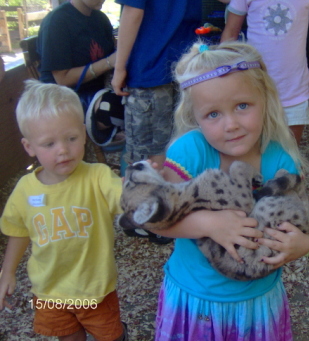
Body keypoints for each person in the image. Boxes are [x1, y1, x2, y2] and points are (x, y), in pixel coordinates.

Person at [149, 41, 309, 340]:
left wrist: (302, 246)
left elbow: (297, 220)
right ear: (195, 117)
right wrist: (210, 224)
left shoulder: (278, 159)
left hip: (258, 302)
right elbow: (155, 217)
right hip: (196, 299)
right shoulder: (191, 152)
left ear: (264, 99)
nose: (231, 124)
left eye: (242, 106)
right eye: (213, 114)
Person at [0, 80, 127, 341]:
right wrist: (8, 271)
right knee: (68, 337)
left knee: (110, 336)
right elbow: (19, 230)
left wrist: (140, 185)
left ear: (83, 133)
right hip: (49, 291)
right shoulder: (25, 190)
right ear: (29, 147)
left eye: (71, 138)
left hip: (96, 289)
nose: (63, 150)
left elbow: (123, 197)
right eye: (49, 144)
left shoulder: (97, 176)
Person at [111, 0, 202, 243]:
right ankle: (168, 211)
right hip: (184, 67)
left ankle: (147, 219)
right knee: (176, 143)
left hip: (149, 68)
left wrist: (119, 68)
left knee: (146, 152)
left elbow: (132, 12)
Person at [221, 0, 309, 144]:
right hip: (253, 89)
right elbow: (231, 33)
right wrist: (224, 74)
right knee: (252, 152)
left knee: (290, 152)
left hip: (294, 90)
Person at [37, 0, 123, 147]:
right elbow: (62, 79)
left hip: (97, 92)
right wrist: (109, 62)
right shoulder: (56, 22)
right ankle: (108, 133)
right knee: (114, 107)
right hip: (61, 98)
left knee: (135, 99)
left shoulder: (100, 19)